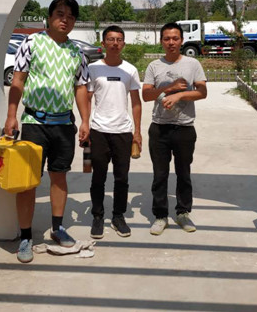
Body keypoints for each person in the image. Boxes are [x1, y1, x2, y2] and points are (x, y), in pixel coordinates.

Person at [4, 0, 90, 263]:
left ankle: (57, 228)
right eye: (60, 14)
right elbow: (18, 80)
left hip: (63, 125)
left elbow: (81, 87)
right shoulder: (32, 43)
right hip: (34, 124)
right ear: (49, 17)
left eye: (71, 16)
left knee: (59, 177)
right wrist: (11, 116)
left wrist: (85, 121)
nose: (65, 20)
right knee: (28, 182)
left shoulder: (77, 52)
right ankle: (26, 236)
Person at [142, 22, 207, 235]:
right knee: (160, 175)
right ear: (161, 41)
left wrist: (180, 95)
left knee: (183, 173)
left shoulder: (192, 64)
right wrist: (169, 88)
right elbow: (146, 95)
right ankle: (160, 216)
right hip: (159, 128)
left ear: (181, 41)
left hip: (184, 128)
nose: (171, 42)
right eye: (167, 38)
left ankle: (183, 213)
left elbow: (202, 92)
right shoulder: (154, 66)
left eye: (175, 38)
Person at [87, 25, 142, 239]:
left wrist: (137, 132)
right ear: (103, 43)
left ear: (124, 44)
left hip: (123, 131)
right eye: (111, 39)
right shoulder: (93, 69)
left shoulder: (130, 70)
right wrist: (85, 125)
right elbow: (86, 99)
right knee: (97, 177)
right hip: (98, 130)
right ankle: (97, 216)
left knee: (122, 178)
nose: (115, 43)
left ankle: (118, 216)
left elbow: (136, 103)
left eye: (119, 40)